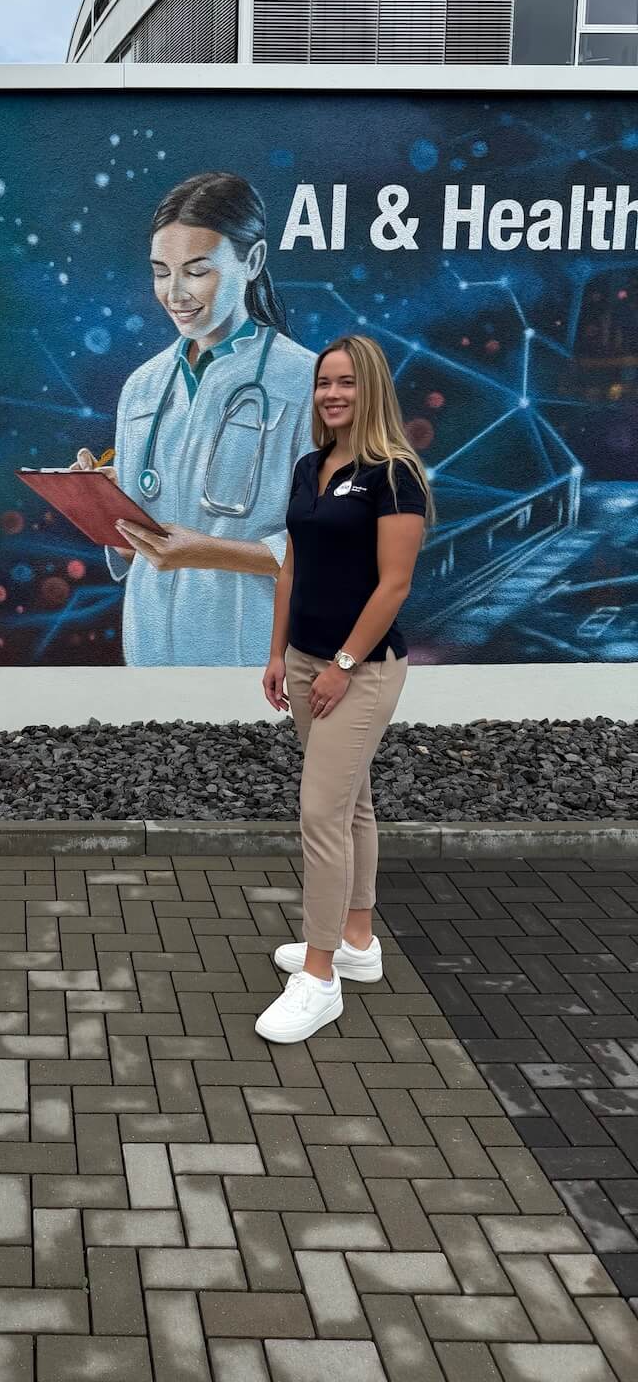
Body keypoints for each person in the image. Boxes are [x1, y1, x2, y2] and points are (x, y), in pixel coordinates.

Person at [256, 334, 431, 1044]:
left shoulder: (395, 475)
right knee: (352, 803)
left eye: (347, 382)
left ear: (372, 390)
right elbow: (291, 568)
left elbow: (395, 585)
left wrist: (344, 664)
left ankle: (321, 977)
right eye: (325, 382)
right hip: (304, 662)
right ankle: (357, 940)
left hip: (361, 670)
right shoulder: (311, 466)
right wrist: (278, 654)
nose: (332, 394)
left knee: (321, 814)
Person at [74, 171, 315, 666]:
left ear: (253, 261)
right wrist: (99, 506)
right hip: (148, 648)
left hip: (252, 653)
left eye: (197, 270)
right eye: (161, 272)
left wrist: (207, 552)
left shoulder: (307, 381)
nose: (175, 293)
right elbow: (134, 552)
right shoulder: (142, 387)